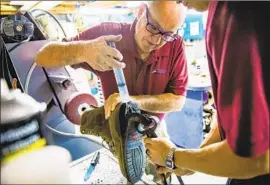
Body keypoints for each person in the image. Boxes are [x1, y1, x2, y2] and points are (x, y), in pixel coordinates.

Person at [35, 1, 188, 183]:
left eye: (167, 34)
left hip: (153, 130)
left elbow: (178, 100)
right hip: (116, 131)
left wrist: (133, 101)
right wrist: (84, 50)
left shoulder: (175, 46)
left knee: (160, 178)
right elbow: (43, 56)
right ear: (141, 11)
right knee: (118, 175)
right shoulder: (108, 35)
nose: (156, 40)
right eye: (153, 27)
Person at [144, 1, 270, 184]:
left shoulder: (234, 11)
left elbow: (252, 157)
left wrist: (172, 156)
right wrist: (190, 161)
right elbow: (232, 125)